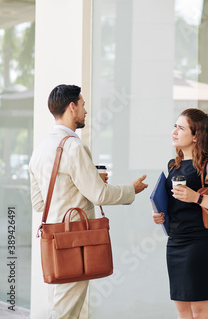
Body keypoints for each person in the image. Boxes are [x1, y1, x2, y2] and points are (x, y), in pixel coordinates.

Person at [29, 84, 148, 319]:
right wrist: (131, 190)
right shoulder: (74, 147)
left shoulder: (40, 150)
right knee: (65, 313)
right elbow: (100, 195)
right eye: (83, 105)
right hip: (74, 242)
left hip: (53, 241)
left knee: (61, 306)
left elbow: (39, 204)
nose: (86, 111)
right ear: (72, 107)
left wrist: (85, 182)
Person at [152, 108, 208, 319]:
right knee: (183, 311)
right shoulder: (174, 166)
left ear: (196, 135)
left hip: (201, 244)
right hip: (176, 242)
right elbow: (176, 205)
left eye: (181, 128)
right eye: (175, 126)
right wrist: (161, 216)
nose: (174, 132)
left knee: (202, 312)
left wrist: (196, 198)